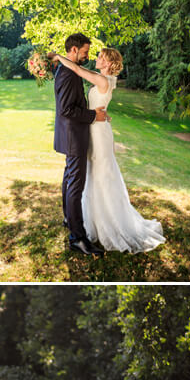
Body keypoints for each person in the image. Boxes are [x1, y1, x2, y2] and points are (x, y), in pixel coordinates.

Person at [50, 47, 165, 253]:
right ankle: (88, 219)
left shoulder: (103, 80)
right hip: (95, 127)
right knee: (93, 174)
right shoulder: (105, 79)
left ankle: (106, 222)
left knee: (101, 174)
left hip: (98, 134)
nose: (97, 58)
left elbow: (77, 70)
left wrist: (59, 57)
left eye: (101, 57)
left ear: (109, 64)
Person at [50, 36, 105, 256]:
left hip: (69, 135)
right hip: (74, 137)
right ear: (74, 49)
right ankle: (77, 238)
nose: (88, 56)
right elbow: (67, 110)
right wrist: (94, 115)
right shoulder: (70, 75)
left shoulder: (65, 70)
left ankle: (68, 218)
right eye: (85, 52)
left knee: (68, 178)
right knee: (75, 186)